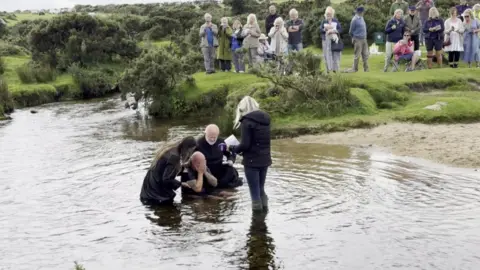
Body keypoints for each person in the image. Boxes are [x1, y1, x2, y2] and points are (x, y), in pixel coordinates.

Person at [228, 96, 272, 212]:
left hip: (252, 161)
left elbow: (245, 145)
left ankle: (257, 222)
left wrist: (233, 149)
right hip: (265, 159)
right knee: (261, 189)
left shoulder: (246, 122)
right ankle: (264, 217)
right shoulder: (266, 119)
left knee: (254, 193)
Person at [139, 136, 197, 206]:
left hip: (150, 185)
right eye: (191, 151)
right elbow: (166, 179)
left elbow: (167, 169)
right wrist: (181, 184)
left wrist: (183, 167)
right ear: (187, 148)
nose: (190, 154)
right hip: (156, 193)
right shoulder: (174, 157)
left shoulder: (173, 147)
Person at [196, 124, 243, 189]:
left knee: (231, 171)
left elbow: (230, 153)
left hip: (219, 168)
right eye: (210, 137)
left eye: (214, 137)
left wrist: (231, 160)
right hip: (206, 170)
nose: (212, 139)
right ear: (205, 134)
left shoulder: (221, 142)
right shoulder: (198, 144)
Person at [320, 6, 342, 73]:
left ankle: (335, 69)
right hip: (325, 40)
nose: (328, 16)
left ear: (332, 14)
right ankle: (328, 69)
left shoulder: (336, 21)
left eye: (330, 14)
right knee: (326, 55)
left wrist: (334, 31)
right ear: (325, 14)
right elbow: (320, 29)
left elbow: (340, 29)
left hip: (334, 40)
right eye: (327, 14)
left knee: (335, 54)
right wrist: (325, 29)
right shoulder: (324, 21)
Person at [348, 6, 369, 72]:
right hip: (357, 39)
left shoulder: (362, 18)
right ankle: (354, 69)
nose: (363, 13)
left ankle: (366, 69)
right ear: (360, 12)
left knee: (365, 55)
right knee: (357, 55)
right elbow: (350, 31)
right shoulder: (354, 20)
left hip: (364, 39)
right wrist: (354, 38)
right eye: (363, 12)